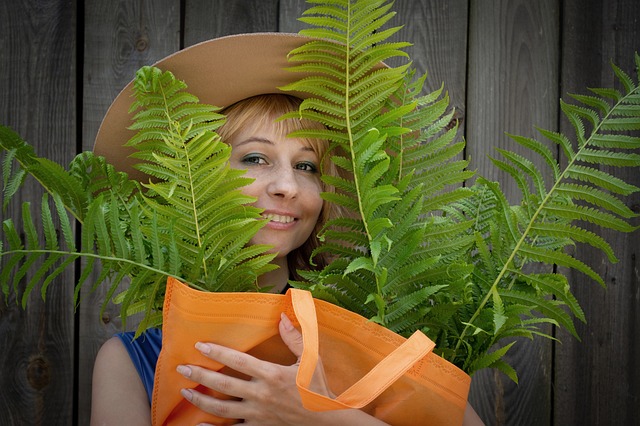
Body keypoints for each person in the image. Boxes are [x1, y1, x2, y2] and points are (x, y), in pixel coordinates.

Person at [90, 33, 484, 425]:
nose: (288, 186)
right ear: (192, 178)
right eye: (256, 158)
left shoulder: (371, 329)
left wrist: (324, 417)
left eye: (306, 166)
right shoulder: (131, 362)